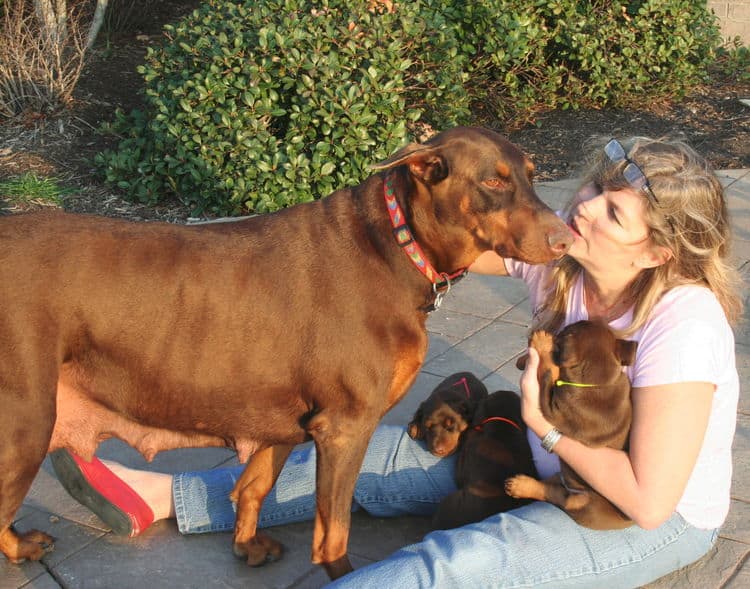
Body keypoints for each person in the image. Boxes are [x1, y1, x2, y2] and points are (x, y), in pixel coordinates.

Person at [49, 136, 741, 588]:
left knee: (461, 563)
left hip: (636, 518)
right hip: (546, 457)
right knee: (372, 454)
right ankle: (167, 494)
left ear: (658, 253)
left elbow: (649, 498)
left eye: (613, 214)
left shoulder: (684, 324)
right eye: (593, 193)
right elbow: (429, 237)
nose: (581, 212)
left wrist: (544, 425)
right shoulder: (565, 270)